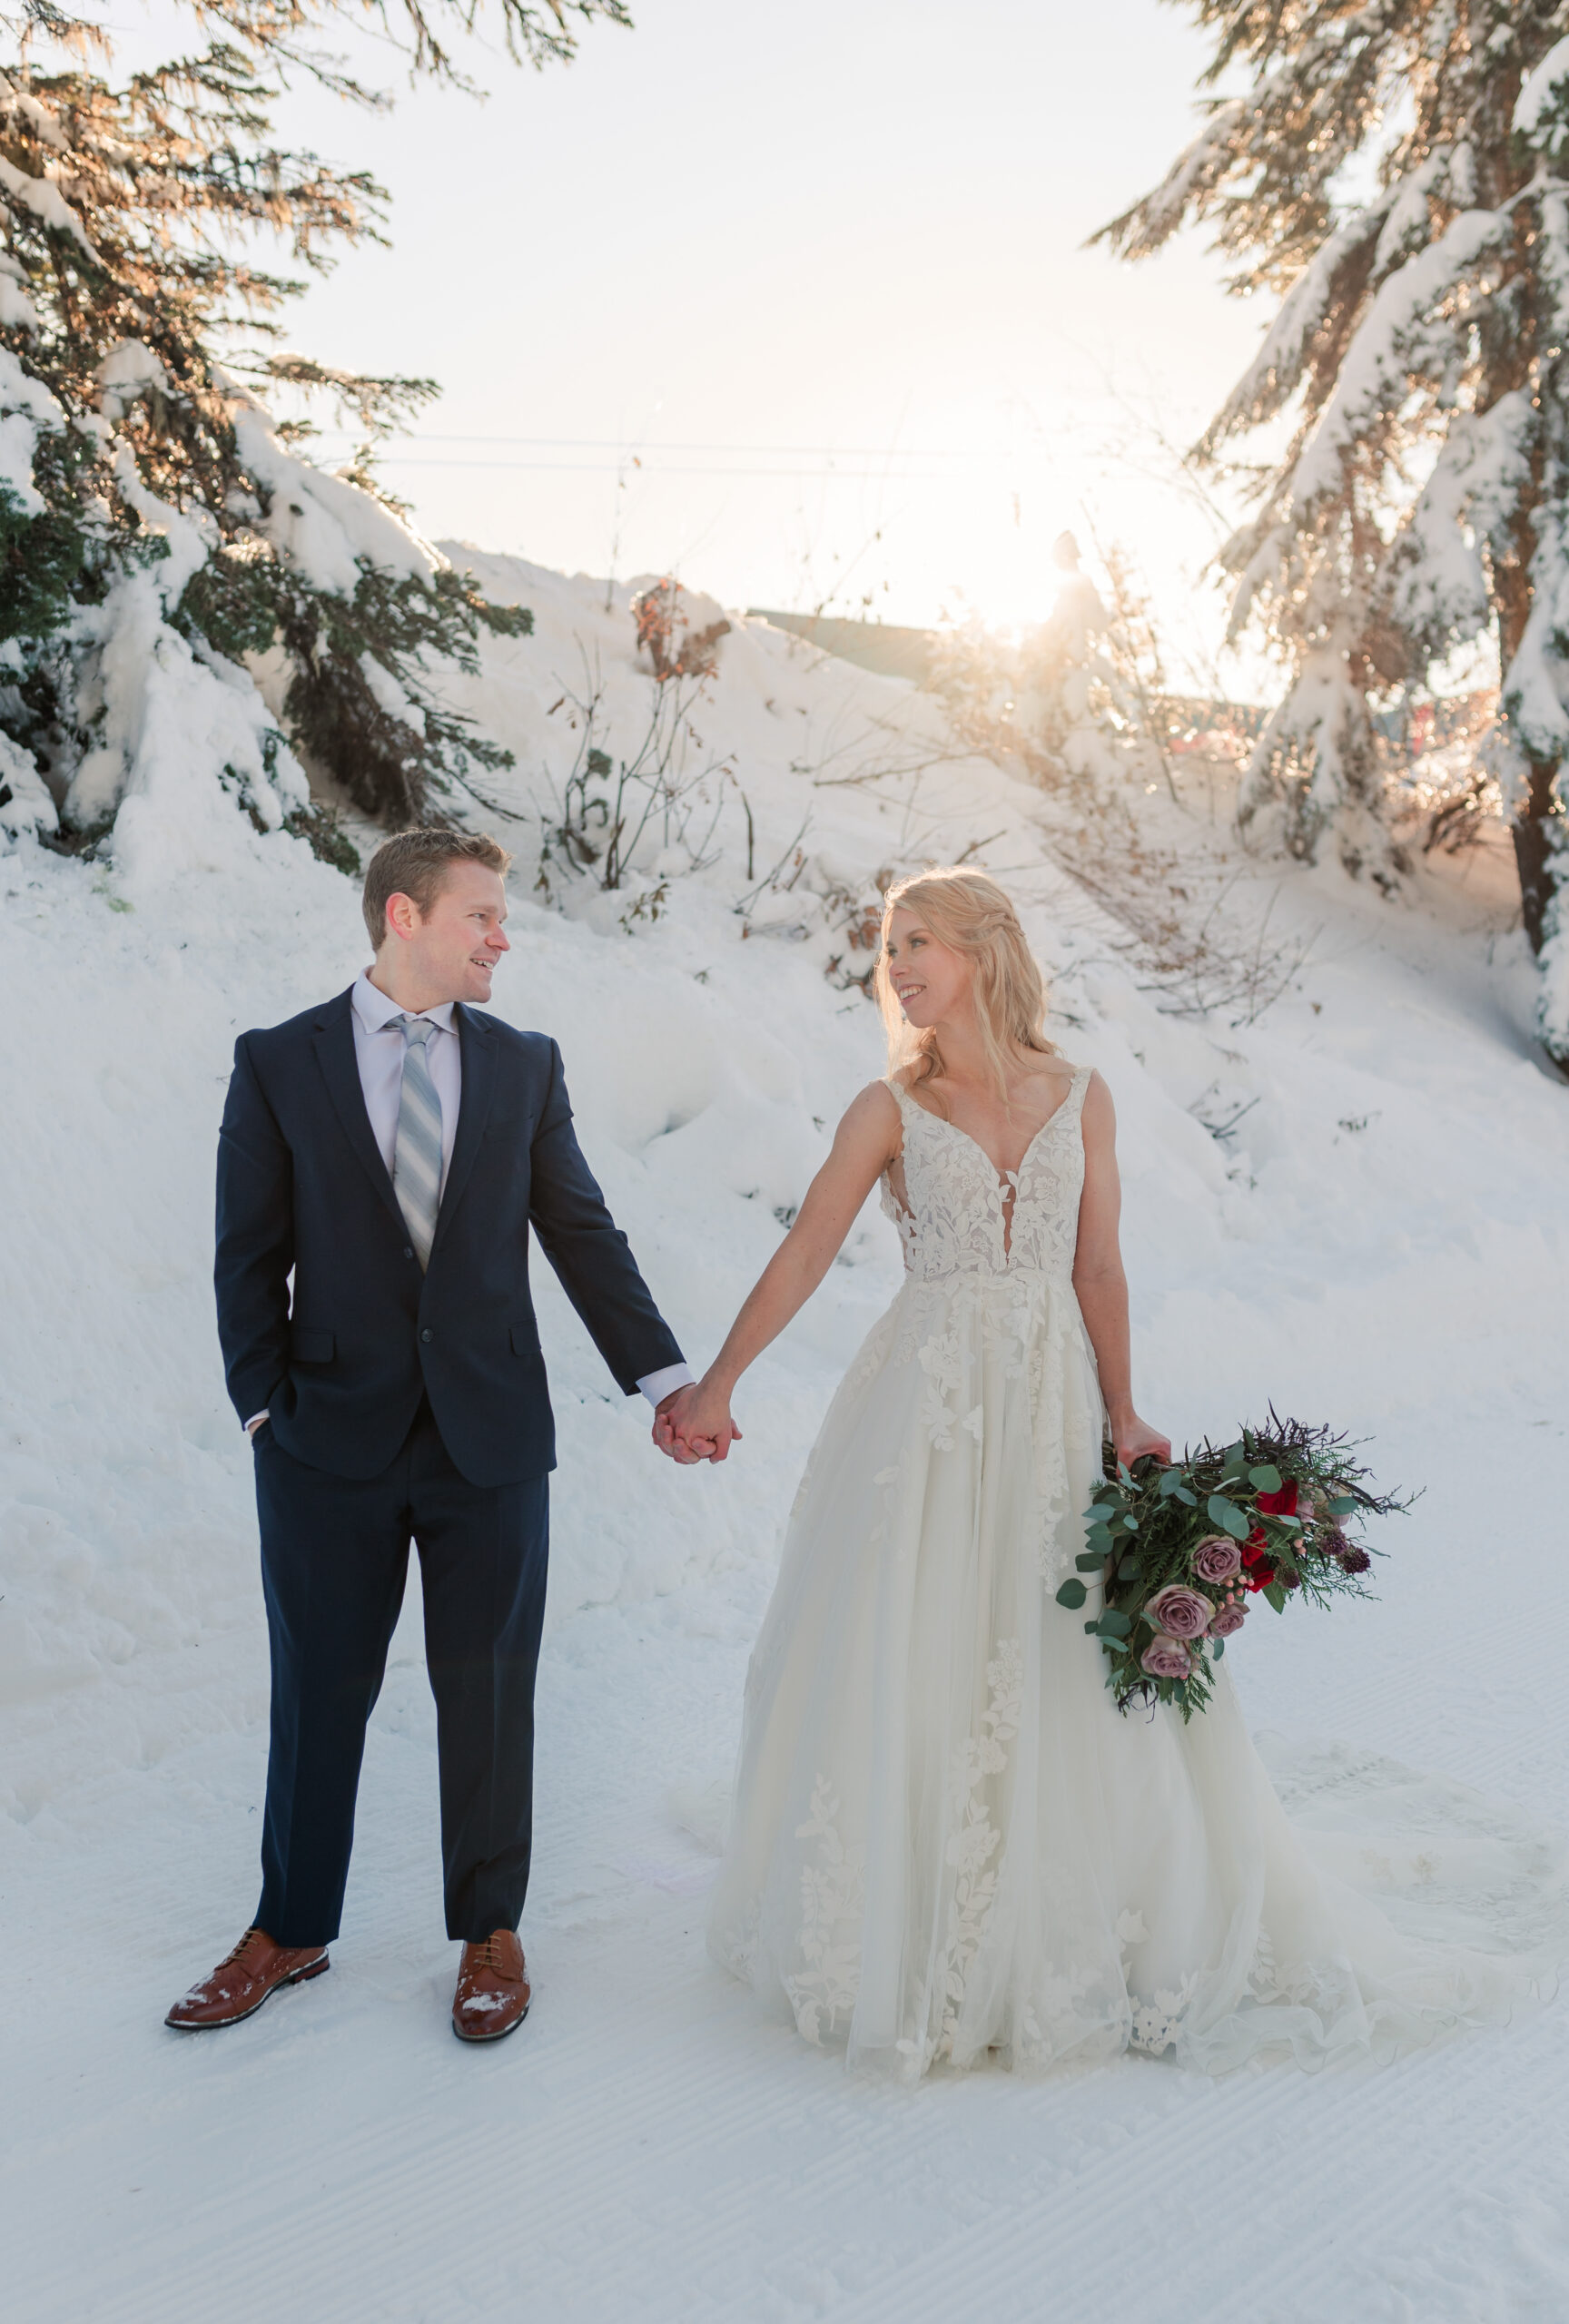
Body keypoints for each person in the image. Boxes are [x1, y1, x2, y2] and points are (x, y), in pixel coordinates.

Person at [668, 868, 1564, 2078]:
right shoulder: (884, 1111)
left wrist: (1127, 1406)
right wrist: (718, 1383)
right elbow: (805, 1256)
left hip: (1049, 1404)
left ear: (985, 949)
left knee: (1056, 1643)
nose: (897, 965)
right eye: (890, 947)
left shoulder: (1080, 1097)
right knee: (921, 1638)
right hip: (924, 1412)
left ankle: (1076, 1914)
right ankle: (914, 1914)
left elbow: (1098, 1269)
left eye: (918, 940)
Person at [167, 828, 697, 2043]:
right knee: (318, 1691)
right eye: (483, 917)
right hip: (322, 1446)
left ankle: (490, 1935)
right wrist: (263, 1410)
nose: (504, 938)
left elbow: (582, 1234)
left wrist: (665, 1379)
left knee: (491, 1693)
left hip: (490, 1440)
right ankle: (290, 1925)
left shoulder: (522, 1066)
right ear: (404, 917)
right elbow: (244, 1260)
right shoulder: (276, 1062)